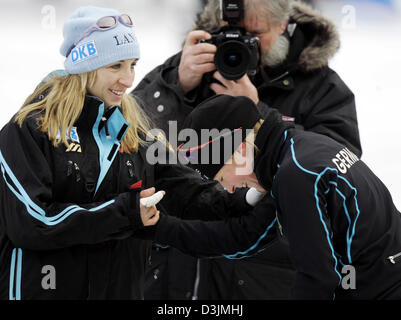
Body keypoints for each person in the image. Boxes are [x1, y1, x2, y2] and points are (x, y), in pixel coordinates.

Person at [0, 6, 255, 300]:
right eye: (116, 66)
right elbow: (33, 224)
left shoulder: (132, 130)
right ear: (85, 67)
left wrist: (245, 200)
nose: (128, 79)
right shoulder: (29, 130)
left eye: (132, 65)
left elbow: (185, 189)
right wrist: (126, 212)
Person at [133, 0, 362, 299]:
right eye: (230, 32)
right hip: (176, 272)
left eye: (254, 34)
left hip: (263, 274)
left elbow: (335, 169)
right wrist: (174, 86)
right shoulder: (192, 67)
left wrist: (258, 112)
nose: (240, 43)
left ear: (283, 25)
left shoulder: (320, 86)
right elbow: (130, 138)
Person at [151, 93, 401, 300]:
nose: (229, 189)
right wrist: (159, 227)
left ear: (241, 151)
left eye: (223, 178)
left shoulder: (296, 176)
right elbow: (244, 236)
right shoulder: (300, 149)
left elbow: (317, 277)